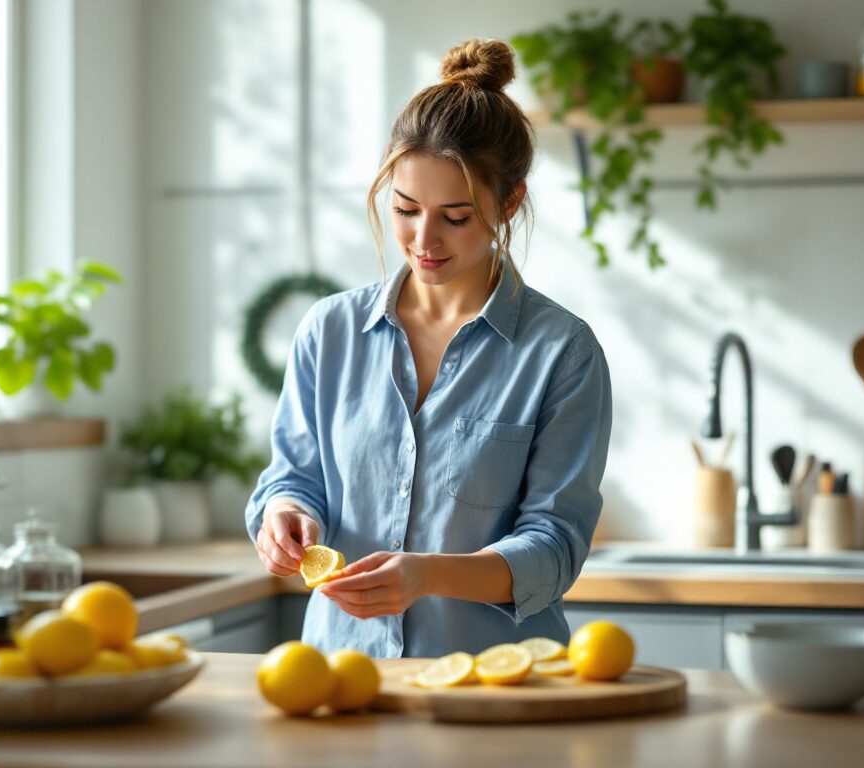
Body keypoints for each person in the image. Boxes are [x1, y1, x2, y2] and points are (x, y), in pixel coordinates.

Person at [245, 39, 612, 658]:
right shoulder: (328, 332)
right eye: (405, 208)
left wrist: (429, 575)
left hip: (495, 684)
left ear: (510, 202)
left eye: (456, 217)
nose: (423, 239)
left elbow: (554, 549)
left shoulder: (562, 353)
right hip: (342, 675)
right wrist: (283, 512)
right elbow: (294, 476)